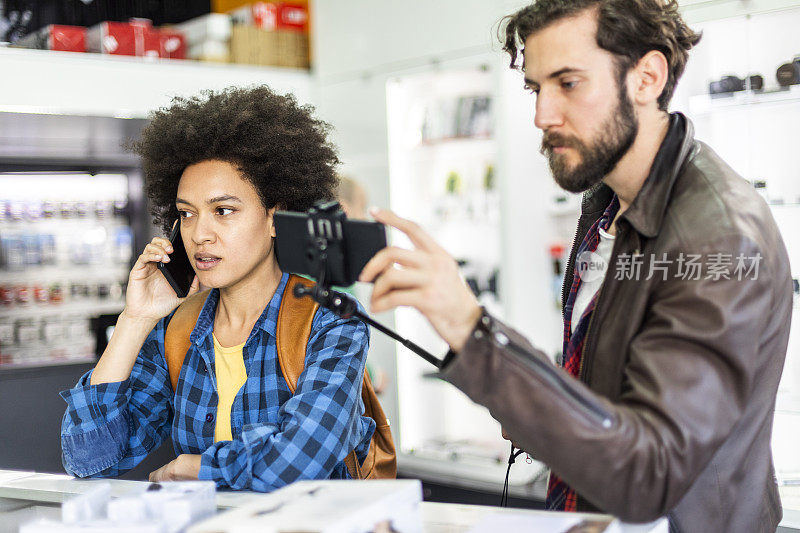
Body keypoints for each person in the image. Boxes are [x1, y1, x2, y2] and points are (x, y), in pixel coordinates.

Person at [359, 0, 791, 530]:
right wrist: (524, 395)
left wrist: (472, 330)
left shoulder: (719, 236)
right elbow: (600, 382)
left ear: (647, 77)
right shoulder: (604, 202)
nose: (542, 115)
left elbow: (650, 475)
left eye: (568, 83)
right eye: (535, 88)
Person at [60, 86, 376, 491]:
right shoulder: (179, 331)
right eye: (187, 214)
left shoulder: (329, 322)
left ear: (275, 217)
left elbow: (299, 461)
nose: (199, 235)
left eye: (223, 211)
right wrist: (135, 319)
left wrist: (193, 468)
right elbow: (89, 459)